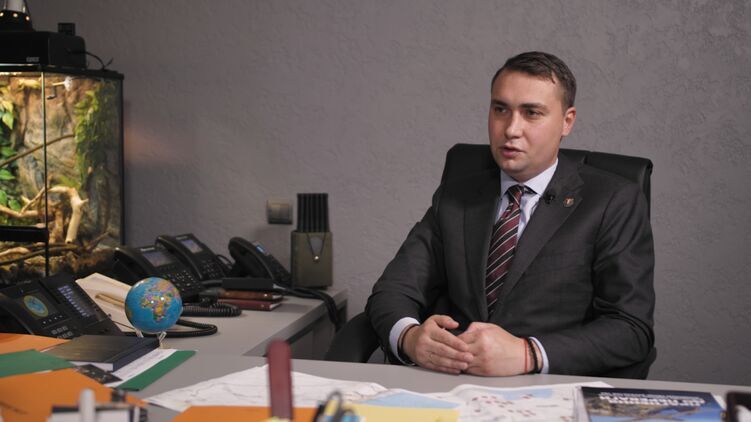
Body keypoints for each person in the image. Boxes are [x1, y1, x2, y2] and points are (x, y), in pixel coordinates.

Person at [365, 51, 655, 377]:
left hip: (550, 389)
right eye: (500, 109)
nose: (511, 129)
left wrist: (528, 354)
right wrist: (410, 337)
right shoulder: (456, 196)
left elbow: (631, 328)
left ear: (567, 121)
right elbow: (393, 290)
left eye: (532, 113)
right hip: (453, 385)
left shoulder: (613, 201)